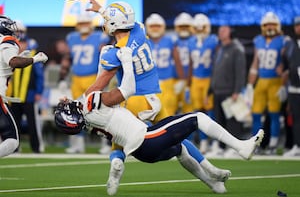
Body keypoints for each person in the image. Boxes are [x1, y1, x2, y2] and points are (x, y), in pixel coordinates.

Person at [54, 46, 264, 195]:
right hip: (147, 139)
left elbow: (87, 99)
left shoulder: (87, 120)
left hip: (140, 152)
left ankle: (213, 182)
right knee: (197, 117)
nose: (65, 105)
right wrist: (126, 61)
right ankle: (240, 147)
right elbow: (126, 90)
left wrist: (73, 101)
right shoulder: (91, 101)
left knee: (181, 149)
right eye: (65, 108)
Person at [85, 0, 232, 196]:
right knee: (178, 138)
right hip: (154, 98)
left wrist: (81, 100)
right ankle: (211, 177)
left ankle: (117, 165)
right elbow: (123, 22)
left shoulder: (113, 53)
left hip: (133, 100)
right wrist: (102, 10)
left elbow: (99, 84)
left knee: (118, 145)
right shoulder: (139, 31)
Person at [0, 15, 48, 157]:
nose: (13, 31)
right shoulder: (7, 41)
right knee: (12, 140)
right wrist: (34, 59)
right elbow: (13, 62)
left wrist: (22, 57)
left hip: (19, 95)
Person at [64, 13, 110, 154]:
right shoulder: (71, 38)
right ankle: (78, 144)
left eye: (86, 23)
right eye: (81, 23)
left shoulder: (99, 37)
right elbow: (68, 58)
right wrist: (63, 78)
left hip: (93, 79)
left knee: (100, 111)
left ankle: (107, 143)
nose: (84, 26)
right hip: (76, 79)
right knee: (76, 112)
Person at [245, 12, 289, 154]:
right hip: (261, 81)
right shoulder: (258, 40)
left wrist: (283, 82)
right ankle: (255, 144)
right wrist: (250, 84)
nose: (269, 27)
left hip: (275, 81)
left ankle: (273, 145)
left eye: (272, 24)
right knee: (256, 113)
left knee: (274, 114)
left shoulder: (283, 40)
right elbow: (255, 62)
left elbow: (286, 62)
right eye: (267, 24)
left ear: (277, 26)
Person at [206, 25, 247, 157]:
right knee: (220, 121)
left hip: (229, 91)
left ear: (231, 32)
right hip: (218, 90)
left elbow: (240, 72)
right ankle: (221, 146)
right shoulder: (220, 49)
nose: (220, 32)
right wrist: (210, 91)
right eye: (220, 30)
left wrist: (237, 91)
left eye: (224, 30)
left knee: (232, 121)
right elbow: (215, 71)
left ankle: (234, 147)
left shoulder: (237, 49)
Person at [189, 13, 218, 153]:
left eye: (202, 28)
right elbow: (190, 63)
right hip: (195, 79)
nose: (200, 31)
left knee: (211, 112)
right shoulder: (191, 42)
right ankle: (204, 142)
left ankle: (215, 142)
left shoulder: (213, 40)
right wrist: (188, 83)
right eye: (198, 28)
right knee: (197, 112)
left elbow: (217, 62)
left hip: (208, 79)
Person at [145, 13, 184, 115]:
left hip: (167, 82)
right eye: (152, 26)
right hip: (150, 83)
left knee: (168, 113)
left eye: (157, 26)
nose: (155, 29)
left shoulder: (170, 40)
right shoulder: (144, 41)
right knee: (149, 113)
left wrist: (182, 79)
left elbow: (177, 60)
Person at [282, 16, 300, 157]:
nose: (298, 28)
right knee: (295, 118)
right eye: (297, 25)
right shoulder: (292, 44)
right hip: (294, 87)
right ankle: (296, 145)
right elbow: (289, 65)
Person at [172, 12, 194, 114]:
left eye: (186, 26)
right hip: (175, 80)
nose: (184, 29)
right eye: (182, 26)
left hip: (191, 81)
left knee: (189, 110)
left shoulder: (195, 41)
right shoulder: (172, 41)